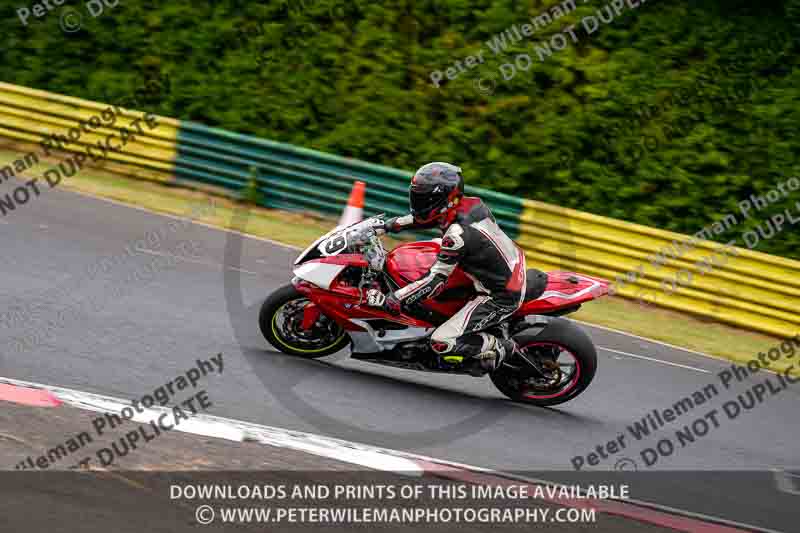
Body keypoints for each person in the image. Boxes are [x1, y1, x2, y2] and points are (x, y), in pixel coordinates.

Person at [366, 162, 526, 375]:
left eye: (425, 199)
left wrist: (395, 299)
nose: (418, 202)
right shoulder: (471, 204)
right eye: (417, 196)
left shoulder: (457, 236)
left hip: (501, 294)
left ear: (445, 199)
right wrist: (388, 225)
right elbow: (426, 219)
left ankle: (501, 347)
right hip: (506, 266)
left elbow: (434, 282)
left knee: (442, 341)